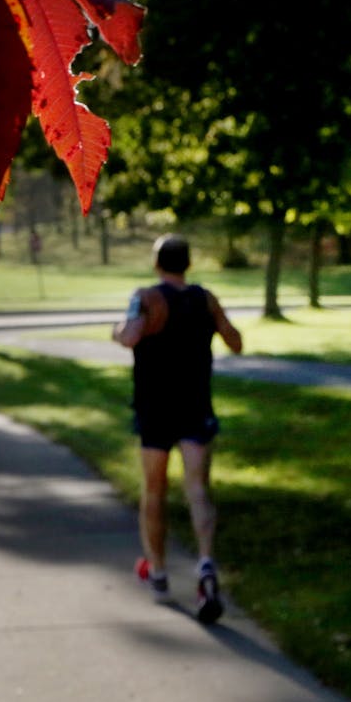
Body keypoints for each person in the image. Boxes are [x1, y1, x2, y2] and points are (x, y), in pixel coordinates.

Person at [112, 234, 243, 623]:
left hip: (155, 408)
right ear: (187, 264)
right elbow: (235, 342)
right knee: (198, 488)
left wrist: (116, 329)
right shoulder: (206, 298)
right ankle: (205, 564)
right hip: (195, 405)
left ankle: (158, 572)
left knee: (155, 490)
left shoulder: (146, 297)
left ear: (157, 264)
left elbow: (130, 335)